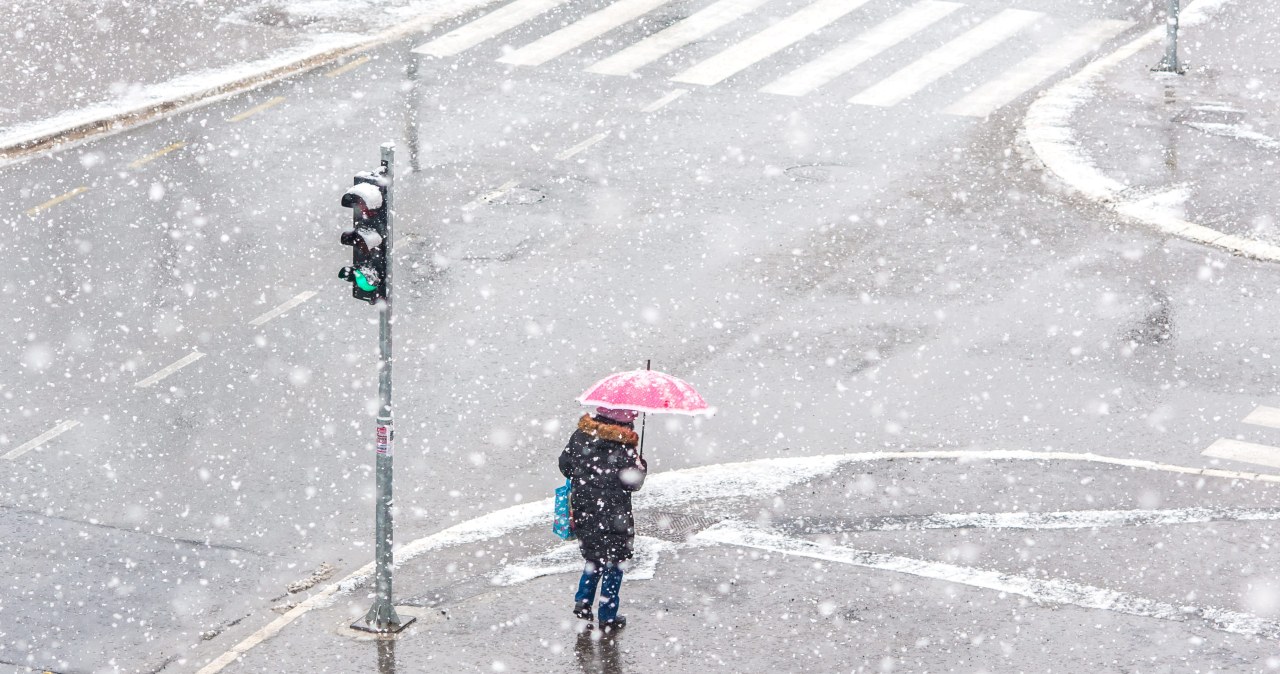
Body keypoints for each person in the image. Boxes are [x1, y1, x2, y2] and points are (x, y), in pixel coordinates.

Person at [559, 406, 647, 632]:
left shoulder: (581, 435)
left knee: (593, 556)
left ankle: (583, 601)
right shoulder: (624, 446)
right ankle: (607, 616)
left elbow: (565, 465)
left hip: (584, 508)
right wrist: (641, 466)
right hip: (615, 515)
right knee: (615, 561)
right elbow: (633, 483)